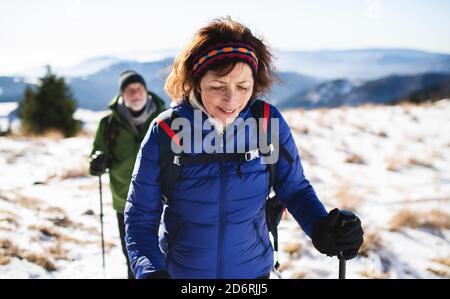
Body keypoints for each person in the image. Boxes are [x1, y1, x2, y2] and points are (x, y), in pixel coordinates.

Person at [124, 17, 364, 279]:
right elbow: (140, 218)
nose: (231, 100)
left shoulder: (266, 124)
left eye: (243, 86)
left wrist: (321, 228)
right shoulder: (167, 132)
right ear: (196, 81)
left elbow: (293, 188)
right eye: (217, 86)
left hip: (252, 275)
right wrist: (151, 271)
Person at [89, 70, 166, 278]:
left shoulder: (166, 118)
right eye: (129, 90)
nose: (135, 93)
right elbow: (97, 152)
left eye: (139, 88)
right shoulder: (108, 124)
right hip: (125, 202)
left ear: (146, 91)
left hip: (164, 201)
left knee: (168, 257)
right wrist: (97, 162)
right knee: (134, 258)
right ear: (122, 94)